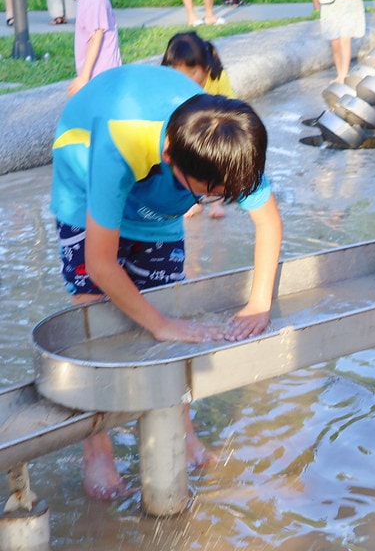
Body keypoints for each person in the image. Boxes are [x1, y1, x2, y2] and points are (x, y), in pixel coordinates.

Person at [50, 64, 283, 498]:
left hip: (159, 197)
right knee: (93, 310)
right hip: (85, 165)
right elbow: (100, 264)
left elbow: (268, 222)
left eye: (223, 195)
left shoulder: (226, 146)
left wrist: (259, 302)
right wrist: (158, 325)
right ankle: (96, 446)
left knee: (166, 301)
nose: (217, 199)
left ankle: (183, 431)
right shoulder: (121, 140)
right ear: (174, 158)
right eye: (208, 193)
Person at [161, 32, 235, 218]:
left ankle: (217, 201)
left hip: (214, 131)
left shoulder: (218, 77)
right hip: (189, 133)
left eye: (192, 72)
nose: (186, 79)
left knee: (217, 165)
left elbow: (231, 106)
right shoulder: (172, 83)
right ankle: (192, 201)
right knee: (185, 164)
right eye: (179, 73)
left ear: (206, 67)